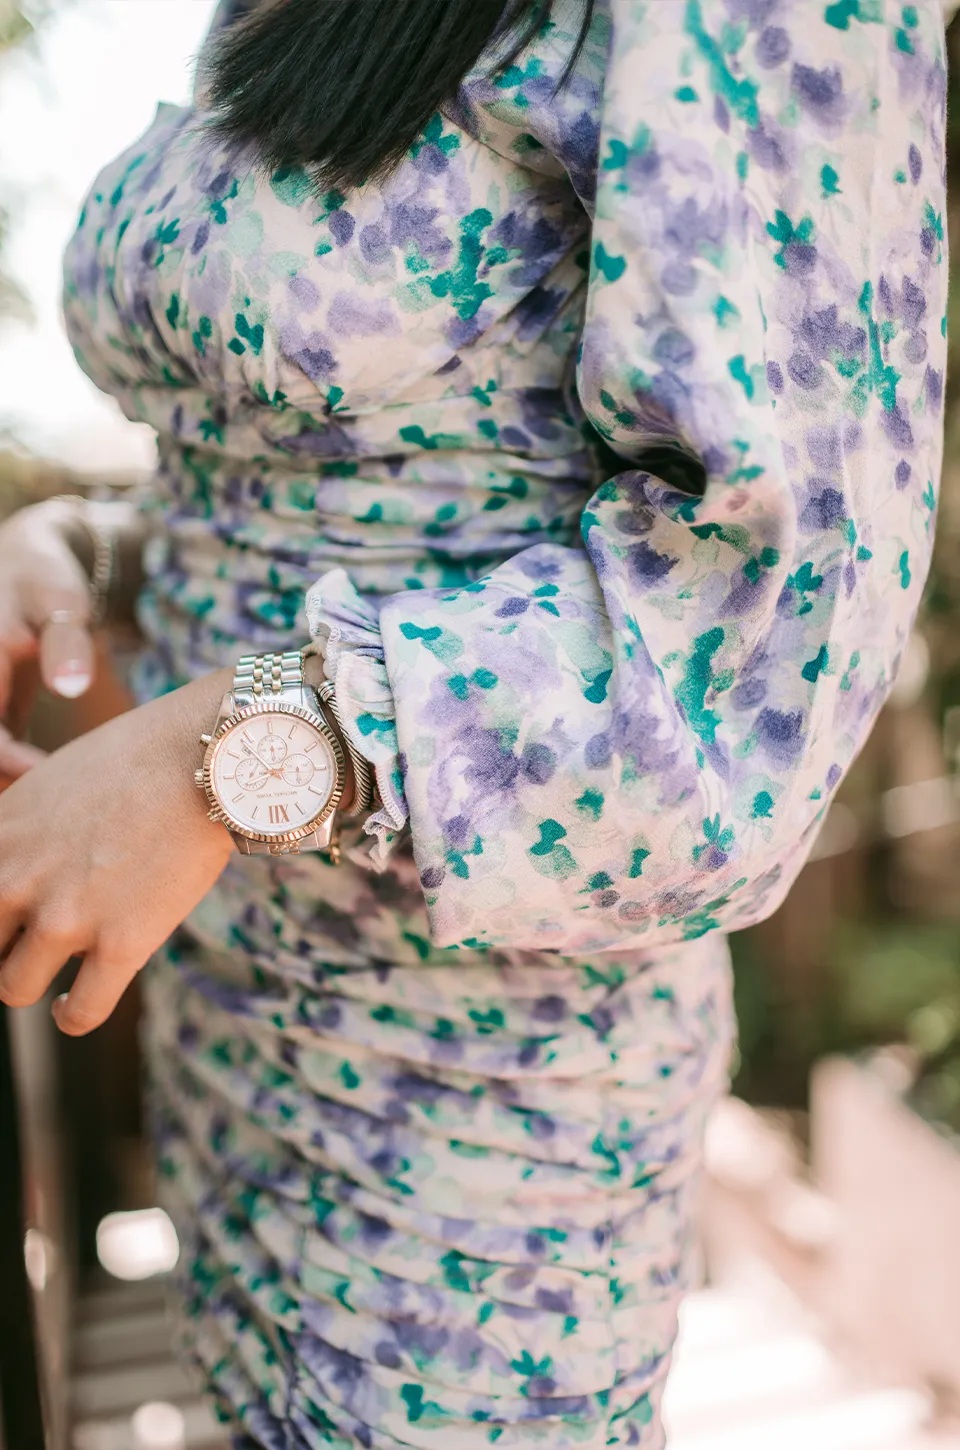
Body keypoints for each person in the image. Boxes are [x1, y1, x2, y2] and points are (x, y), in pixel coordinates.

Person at [0, 1, 951, 1444]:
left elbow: (749, 666)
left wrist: (219, 755)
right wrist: (99, 558)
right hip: (226, 1048)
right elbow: (375, 467)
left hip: (472, 1117)